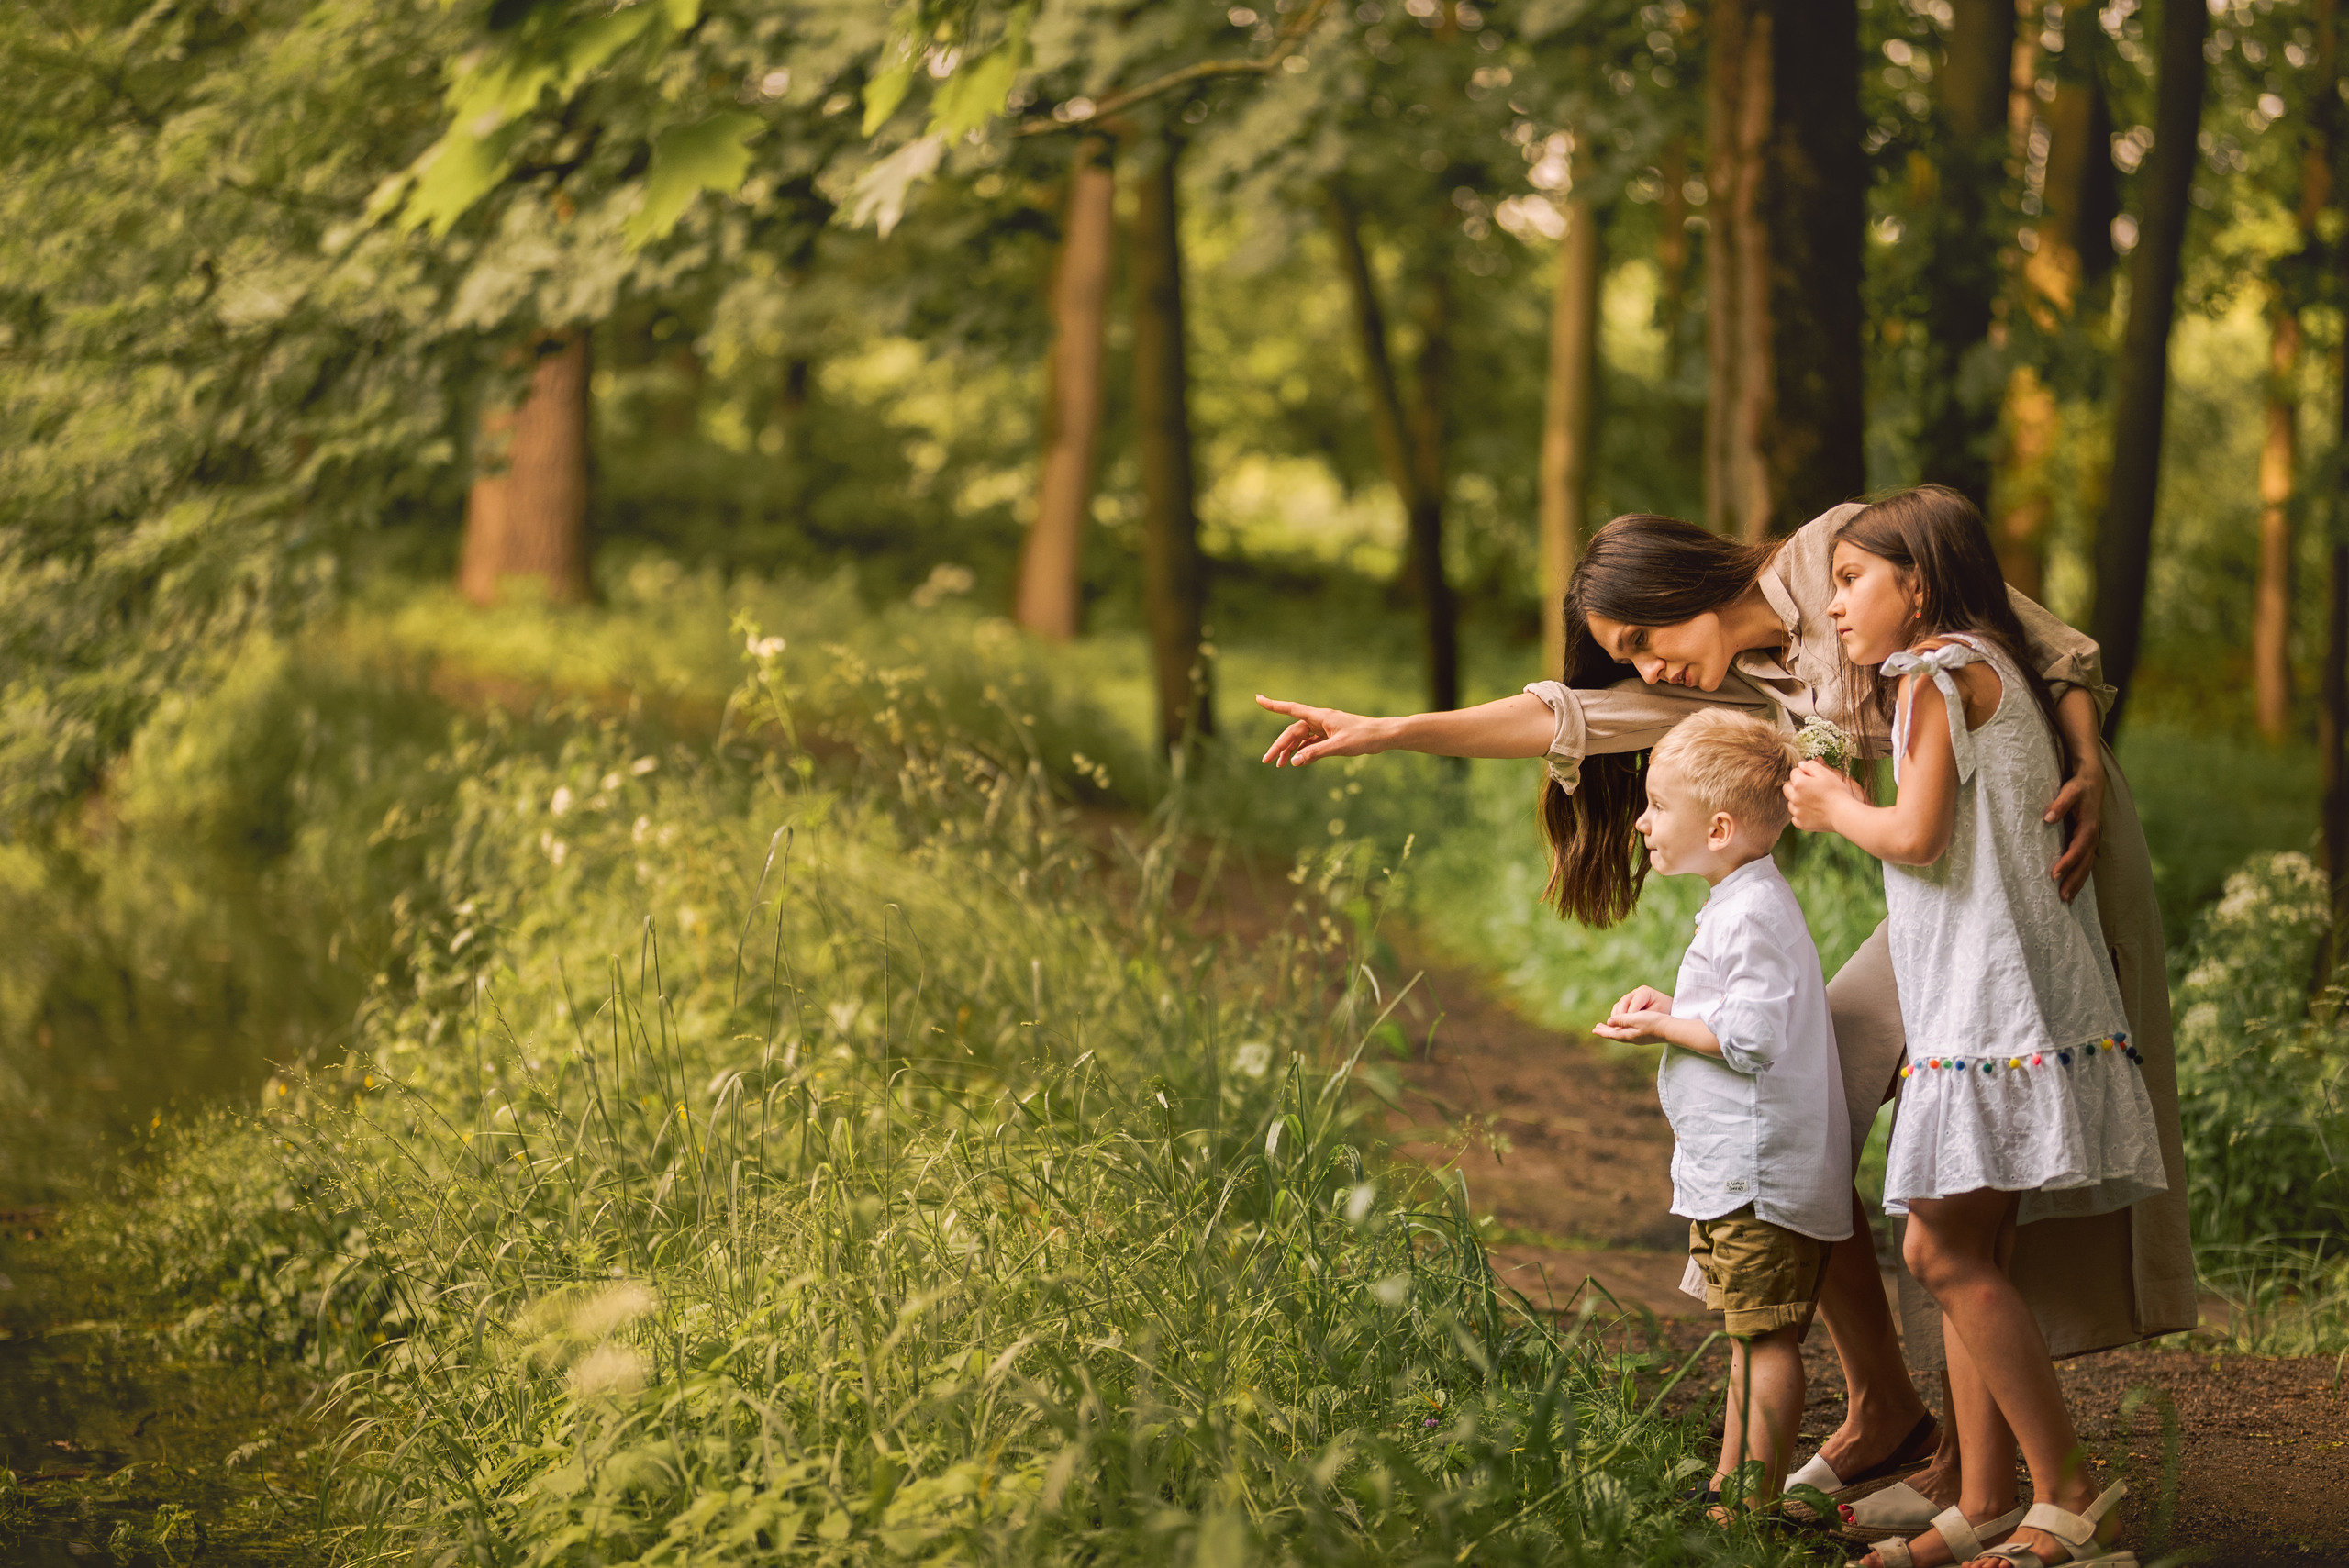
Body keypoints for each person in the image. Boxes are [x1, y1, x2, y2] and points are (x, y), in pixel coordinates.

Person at [1254, 501, 2192, 1529]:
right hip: (1941, 898)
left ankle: (1986, 1478)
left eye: (1642, 638)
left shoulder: (1844, 560)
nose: (1646, 667)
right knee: (1808, 1108)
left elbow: (2040, 645)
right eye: (1628, 658)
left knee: (1969, 1177)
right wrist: (1384, 731)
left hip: (2039, 858)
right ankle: (1894, 1416)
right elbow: (1564, 717)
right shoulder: (1729, 683)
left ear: (1674, 587)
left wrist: (2085, 758)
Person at [1785, 486, 2163, 1568]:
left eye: (1851, 579)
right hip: (2017, 1000)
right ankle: (1986, 1495)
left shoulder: (1930, 674)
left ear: (1917, 583)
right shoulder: (1995, 664)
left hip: (1987, 1008)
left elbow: (1914, 834)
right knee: (1975, 1242)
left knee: (1938, 1246)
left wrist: (1831, 806)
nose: (1834, 604)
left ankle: (2070, 1494)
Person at [1591, 709, 1852, 1518]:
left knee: (1765, 1338)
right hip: (1740, 1172)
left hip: (1757, 1176)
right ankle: (1729, 1490)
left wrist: (1665, 1028)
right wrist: (1677, 1006)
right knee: (1747, 1333)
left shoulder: (1749, 913)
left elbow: (1752, 1037)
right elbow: (1742, 1011)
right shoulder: (1743, 901)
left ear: (1719, 828)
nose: (1642, 822)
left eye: (1656, 806)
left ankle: (1751, 1503)